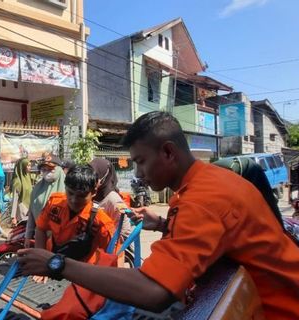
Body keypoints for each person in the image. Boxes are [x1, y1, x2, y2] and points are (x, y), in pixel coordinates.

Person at [17, 111, 299, 319]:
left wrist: (56, 264)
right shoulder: (204, 183)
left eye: (141, 162)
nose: (137, 173)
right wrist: (164, 224)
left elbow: (155, 292)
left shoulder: (203, 199)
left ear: (168, 152)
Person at [31, 165, 114, 284]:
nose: (74, 200)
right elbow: (40, 229)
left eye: (81, 196)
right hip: (51, 262)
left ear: (94, 192)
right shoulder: (55, 203)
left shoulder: (101, 223)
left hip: (81, 275)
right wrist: (41, 262)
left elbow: (113, 258)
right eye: (70, 193)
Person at [24, 155, 66, 248]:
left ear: (59, 169)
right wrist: (28, 236)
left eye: (50, 169)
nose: (47, 172)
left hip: (61, 241)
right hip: (41, 238)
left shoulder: (68, 188)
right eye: (44, 169)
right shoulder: (37, 188)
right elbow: (31, 215)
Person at [10, 158, 32, 225]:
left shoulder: (27, 177)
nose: (30, 167)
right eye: (28, 166)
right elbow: (15, 199)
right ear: (22, 167)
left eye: (30, 165)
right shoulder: (17, 181)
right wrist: (13, 217)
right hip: (22, 211)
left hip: (29, 210)